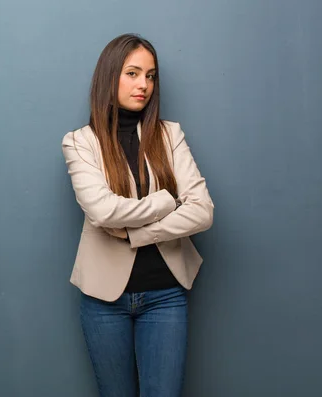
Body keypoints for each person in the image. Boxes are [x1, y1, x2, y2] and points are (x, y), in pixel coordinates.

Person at [61, 33, 214, 397]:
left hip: (166, 294)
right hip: (103, 301)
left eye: (150, 75)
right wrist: (165, 202)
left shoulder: (169, 134)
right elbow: (102, 211)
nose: (143, 84)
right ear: (109, 75)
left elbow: (202, 211)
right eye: (132, 73)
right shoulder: (80, 142)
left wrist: (135, 234)